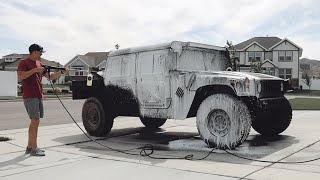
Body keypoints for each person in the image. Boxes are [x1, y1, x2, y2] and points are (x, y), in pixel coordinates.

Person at [17, 44, 68, 156]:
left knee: (36, 121)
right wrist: (35, 70)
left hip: (38, 95)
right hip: (30, 96)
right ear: (34, 52)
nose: (41, 54)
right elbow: (20, 76)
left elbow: (50, 77)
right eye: (40, 52)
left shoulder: (40, 64)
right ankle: (34, 148)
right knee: (34, 120)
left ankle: (30, 147)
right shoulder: (24, 63)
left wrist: (61, 72)